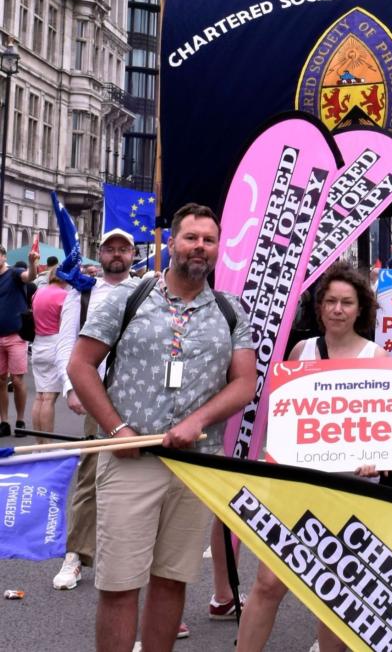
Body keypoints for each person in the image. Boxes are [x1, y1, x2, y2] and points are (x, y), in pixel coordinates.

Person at [67, 203, 256, 652]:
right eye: (191, 238)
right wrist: (116, 429)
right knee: (118, 583)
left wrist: (198, 422)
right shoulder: (126, 298)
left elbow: (245, 381)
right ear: (171, 243)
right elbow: (81, 366)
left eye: (209, 240)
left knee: (171, 580)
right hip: (131, 460)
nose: (200, 247)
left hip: (194, 464)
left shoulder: (230, 311)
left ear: (217, 249)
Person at [236, 262, 387, 652]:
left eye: (347, 302)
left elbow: (389, 430)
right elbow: (284, 415)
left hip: (350, 489)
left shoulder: (377, 356)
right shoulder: (302, 351)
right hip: (296, 486)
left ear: (360, 308)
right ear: (319, 307)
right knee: (268, 583)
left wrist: (378, 458)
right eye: (331, 301)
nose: (338, 309)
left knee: (334, 594)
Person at [51, 229, 139, 591]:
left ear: (133, 255)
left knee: (141, 478)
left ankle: (131, 560)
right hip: (98, 394)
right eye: (109, 249)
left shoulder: (146, 291)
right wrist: (71, 389)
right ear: (98, 254)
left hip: (139, 394)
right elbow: (65, 343)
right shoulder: (81, 294)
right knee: (90, 476)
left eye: (123, 249)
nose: (116, 255)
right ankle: (76, 555)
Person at [0, 245, 37, 438]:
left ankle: (20, 420)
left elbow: (29, 277)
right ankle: (4, 421)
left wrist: (32, 264)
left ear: (3, 256)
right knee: (0, 380)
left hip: (15, 335)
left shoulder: (14, 273)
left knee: (17, 380)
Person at [30, 266, 69, 442]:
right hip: (54, 344)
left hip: (38, 344)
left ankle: (39, 444)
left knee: (39, 396)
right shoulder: (64, 296)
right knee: (49, 398)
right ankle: (47, 444)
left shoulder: (38, 293)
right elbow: (65, 325)